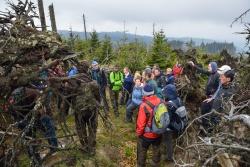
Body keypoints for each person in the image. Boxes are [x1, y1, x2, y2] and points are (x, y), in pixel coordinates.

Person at [73, 61, 101, 155]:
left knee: (81, 129)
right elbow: (98, 97)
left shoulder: (73, 82)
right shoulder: (93, 83)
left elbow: (69, 96)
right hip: (91, 110)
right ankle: (91, 148)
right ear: (87, 69)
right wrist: (97, 104)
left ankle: (84, 146)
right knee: (92, 128)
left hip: (79, 110)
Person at [201, 65, 235, 132]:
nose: (220, 77)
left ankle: (212, 130)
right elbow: (218, 90)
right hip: (216, 101)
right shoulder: (223, 84)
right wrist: (212, 98)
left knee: (214, 112)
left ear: (228, 79)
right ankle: (205, 125)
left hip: (221, 111)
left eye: (222, 76)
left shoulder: (230, 90)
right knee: (205, 104)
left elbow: (225, 106)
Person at [136, 84, 162, 167]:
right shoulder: (161, 101)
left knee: (142, 150)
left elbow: (141, 123)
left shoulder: (143, 105)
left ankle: (141, 164)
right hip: (158, 132)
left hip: (146, 135)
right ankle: (155, 163)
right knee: (156, 149)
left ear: (144, 93)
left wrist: (139, 134)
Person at [162, 84, 183, 162]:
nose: (164, 95)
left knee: (168, 140)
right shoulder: (178, 99)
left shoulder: (169, 105)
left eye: (165, 93)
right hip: (179, 124)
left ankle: (169, 157)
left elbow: (167, 119)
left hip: (172, 126)